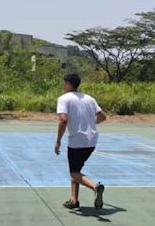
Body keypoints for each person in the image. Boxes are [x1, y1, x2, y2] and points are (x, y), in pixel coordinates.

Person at [54, 73, 107, 210]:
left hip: (77, 141)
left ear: (67, 84)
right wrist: (91, 125)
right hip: (92, 141)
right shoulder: (89, 98)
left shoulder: (64, 99)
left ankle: (95, 187)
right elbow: (102, 117)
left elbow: (63, 120)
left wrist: (58, 140)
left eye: (64, 83)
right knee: (77, 169)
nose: (63, 85)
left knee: (74, 173)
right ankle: (74, 200)